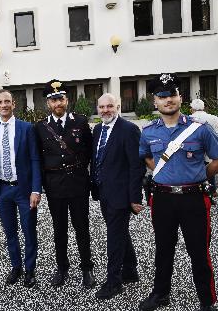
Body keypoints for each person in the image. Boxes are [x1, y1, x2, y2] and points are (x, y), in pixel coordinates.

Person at [138, 74, 218, 311]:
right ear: (155, 101)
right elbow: (145, 155)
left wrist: (197, 176)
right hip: (163, 198)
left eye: (172, 94)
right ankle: (160, 294)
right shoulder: (148, 132)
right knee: (163, 249)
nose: (168, 100)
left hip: (194, 199)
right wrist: (162, 173)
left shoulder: (199, 129)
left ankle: (207, 301)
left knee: (199, 251)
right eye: (162, 96)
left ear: (180, 98)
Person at [34, 80, 95, 288]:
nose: (57, 103)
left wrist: (81, 171)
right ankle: (62, 268)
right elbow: (39, 158)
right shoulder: (41, 127)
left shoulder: (80, 121)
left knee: (82, 228)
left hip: (77, 183)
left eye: (60, 98)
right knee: (59, 229)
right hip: (55, 185)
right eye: (53, 100)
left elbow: (89, 151)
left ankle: (87, 268)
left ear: (67, 100)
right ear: (48, 103)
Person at [0, 89, 42, 288]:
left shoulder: (27, 128)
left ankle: (30, 270)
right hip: (2, 190)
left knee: (29, 231)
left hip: (24, 190)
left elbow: (35, 159)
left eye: (7, 101)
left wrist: (36, 189)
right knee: (10, 232)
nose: (3, 105)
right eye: (0, 102)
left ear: (13, 104)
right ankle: (16, 267)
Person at [90, 93, 144, 300]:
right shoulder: (97, 129)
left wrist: (134, 197)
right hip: (103, 191)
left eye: (110, 106)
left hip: (121, 195)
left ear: (118, 107)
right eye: (102, 107)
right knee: (120, 231)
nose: (105, 110)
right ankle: (130, 270)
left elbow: (135, 166)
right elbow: (97, 159)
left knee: (113, 237)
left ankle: (114, 282)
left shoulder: (129, 130)